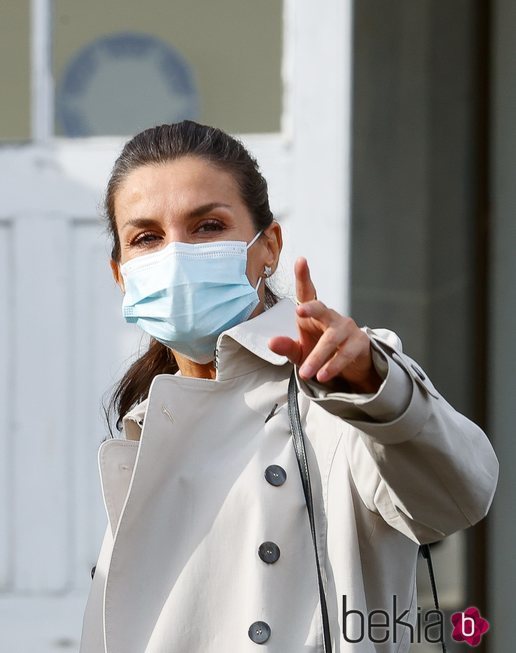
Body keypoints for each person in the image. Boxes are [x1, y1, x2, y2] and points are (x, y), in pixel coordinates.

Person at [81, 121, 497, 652]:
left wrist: (376, 389)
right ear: (121, 275)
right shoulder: (143, 424)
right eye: (147, 238)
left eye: (207, 226)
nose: (176, 255)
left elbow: (456, 496)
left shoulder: (342, 381)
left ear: (267, 247)